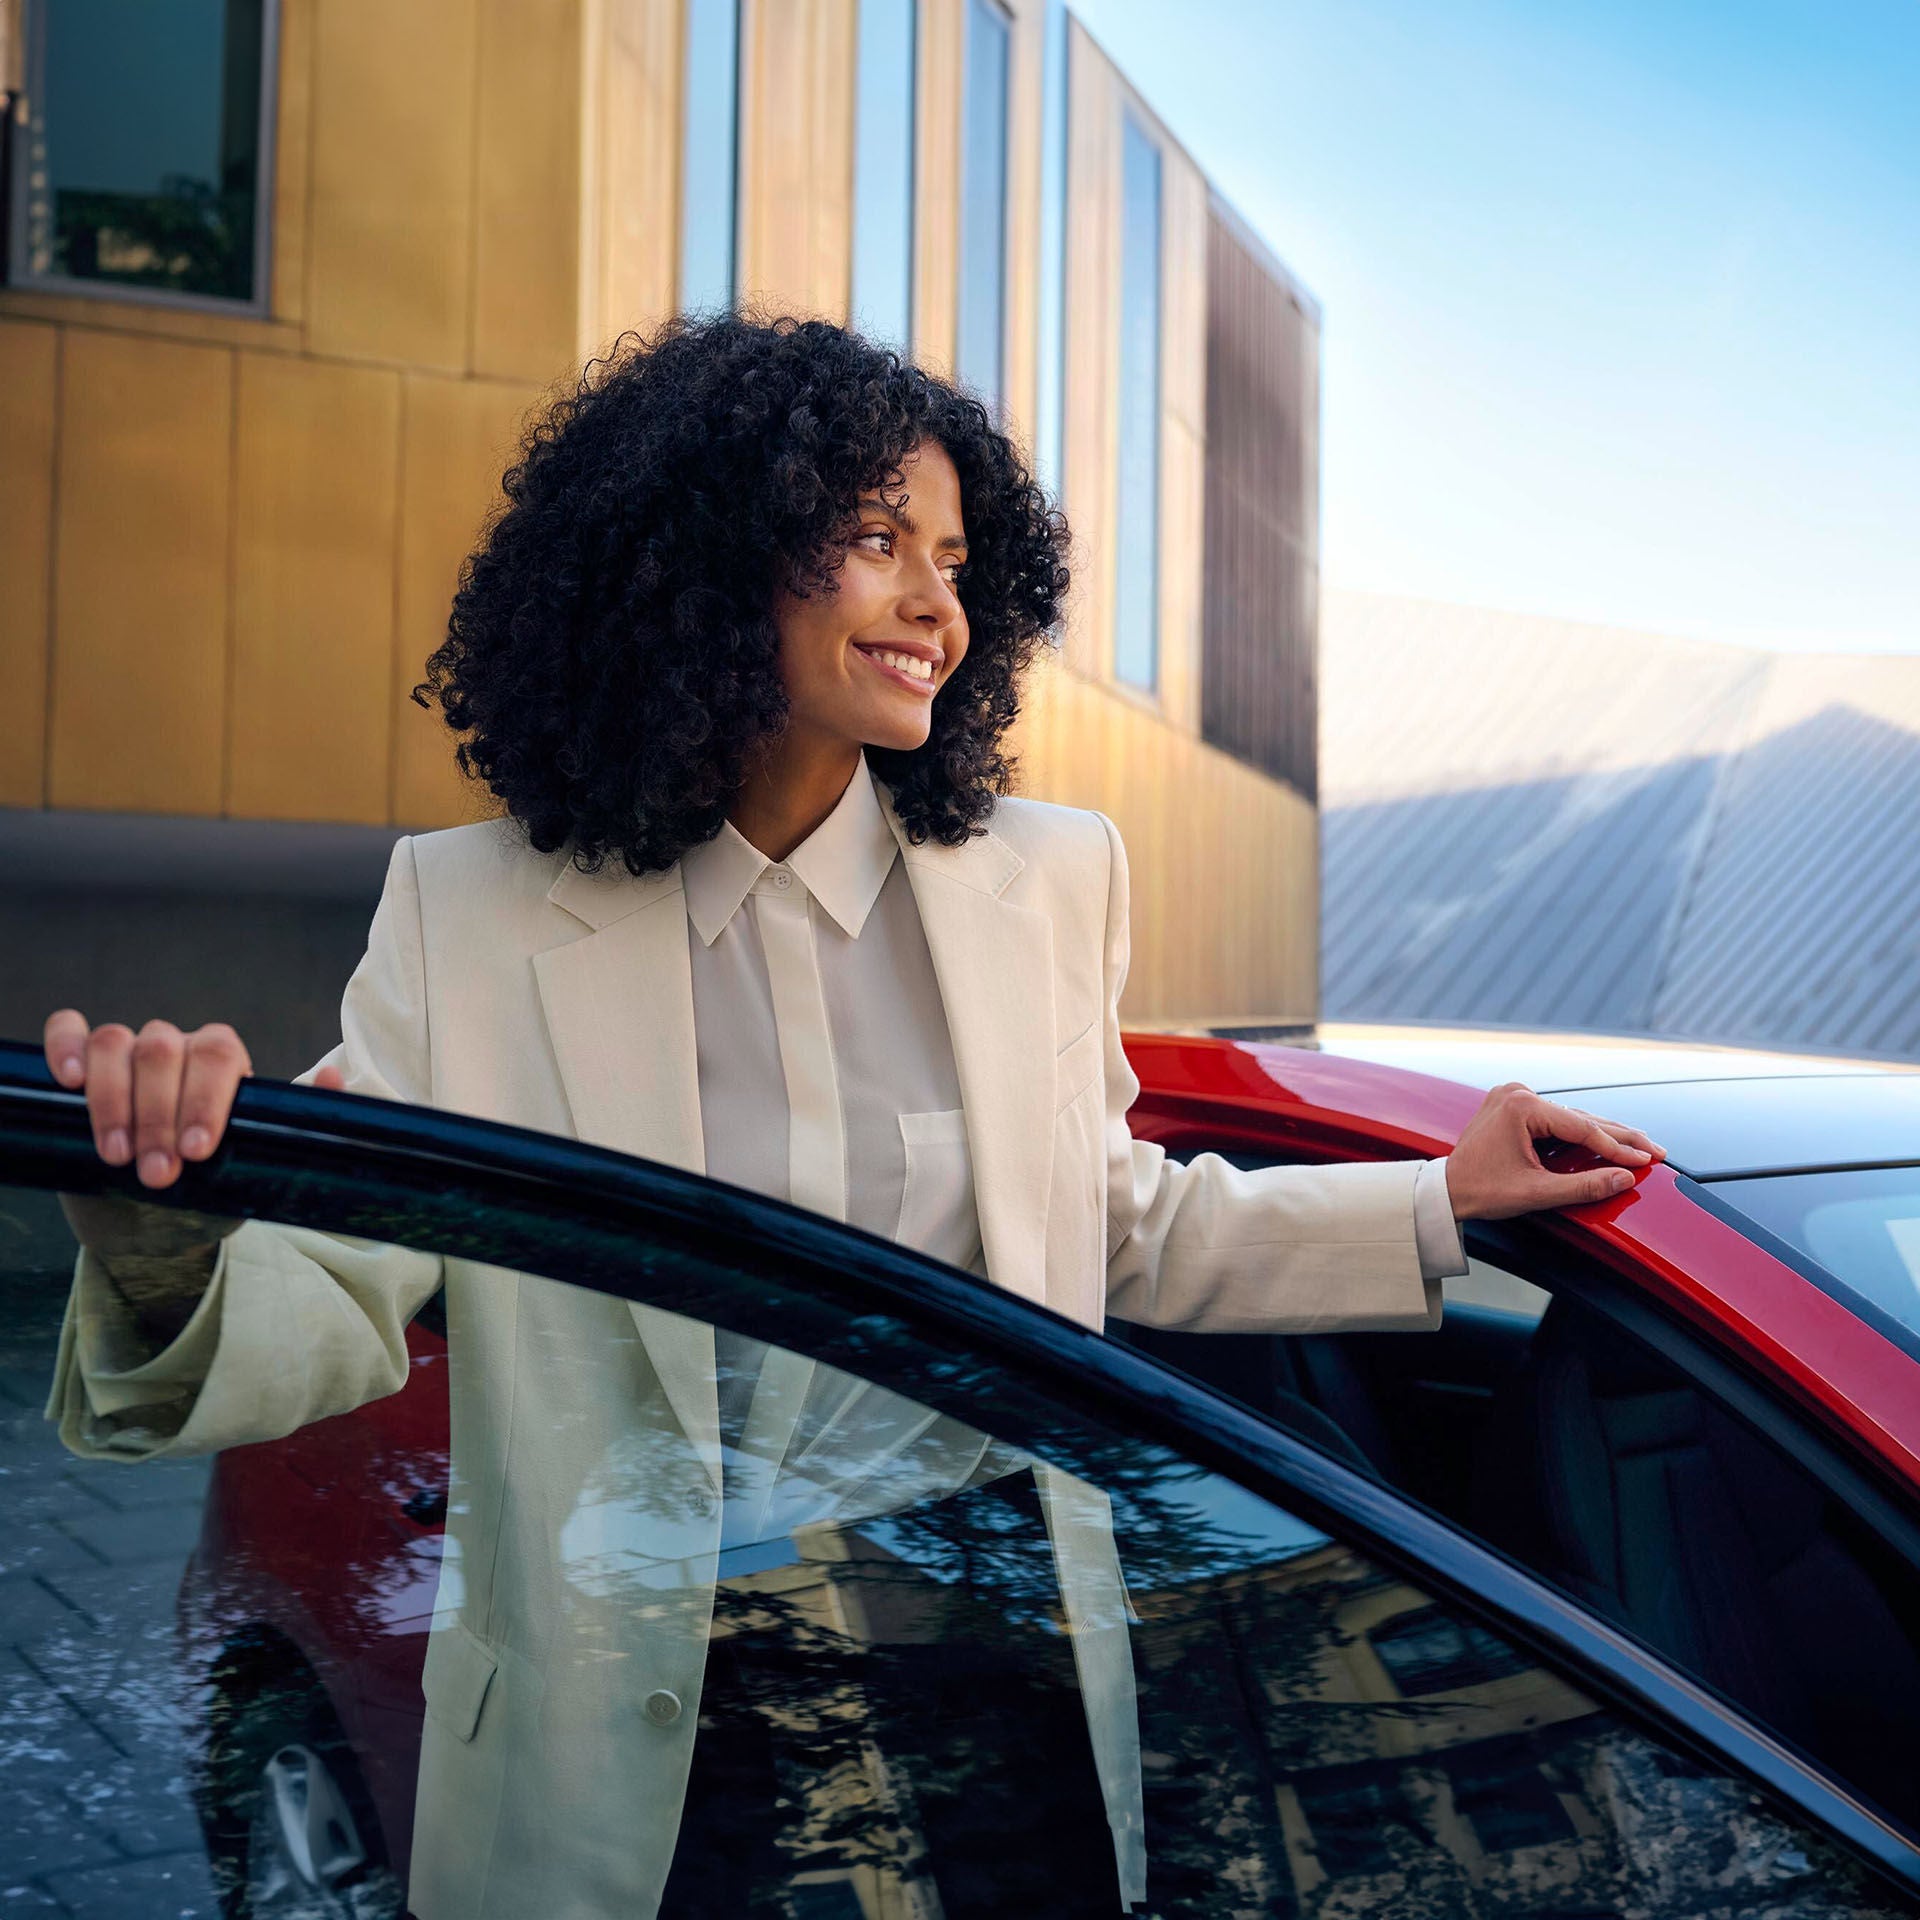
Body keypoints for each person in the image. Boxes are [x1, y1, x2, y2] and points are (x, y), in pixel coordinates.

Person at [42, 315, 1662, 1918]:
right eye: (877, 539)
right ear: (704, 558)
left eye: (955, 559)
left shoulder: (1052, 878)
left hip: (998, 1682)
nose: (934, 606)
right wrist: (163, 1235)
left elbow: (1117, 1226)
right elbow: (343, 1289)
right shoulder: (472, 916)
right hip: (637, 1741)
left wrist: (1443, 1203)